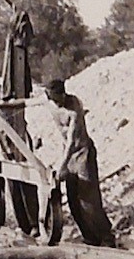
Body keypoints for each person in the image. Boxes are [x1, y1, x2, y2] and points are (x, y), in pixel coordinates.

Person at [44, 78, 117, 247]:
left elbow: (71, 141)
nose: (56, 102)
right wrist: (0, 105)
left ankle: (106, 237)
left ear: (63, 93)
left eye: (57, 98)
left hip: (83, 154)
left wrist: (61, 167)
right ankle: (90, 237)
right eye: (52, 98)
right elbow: (27, 101)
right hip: (68, 155)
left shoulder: (74, 107)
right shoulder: (50, 103)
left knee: (89, 200)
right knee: (73, 201)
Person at [0, 60, 40, 234]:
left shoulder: (3, 91)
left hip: (16, 134)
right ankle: (24, 224)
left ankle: (34, 221)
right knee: (11, 180)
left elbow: (16, 103)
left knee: (26, 175)